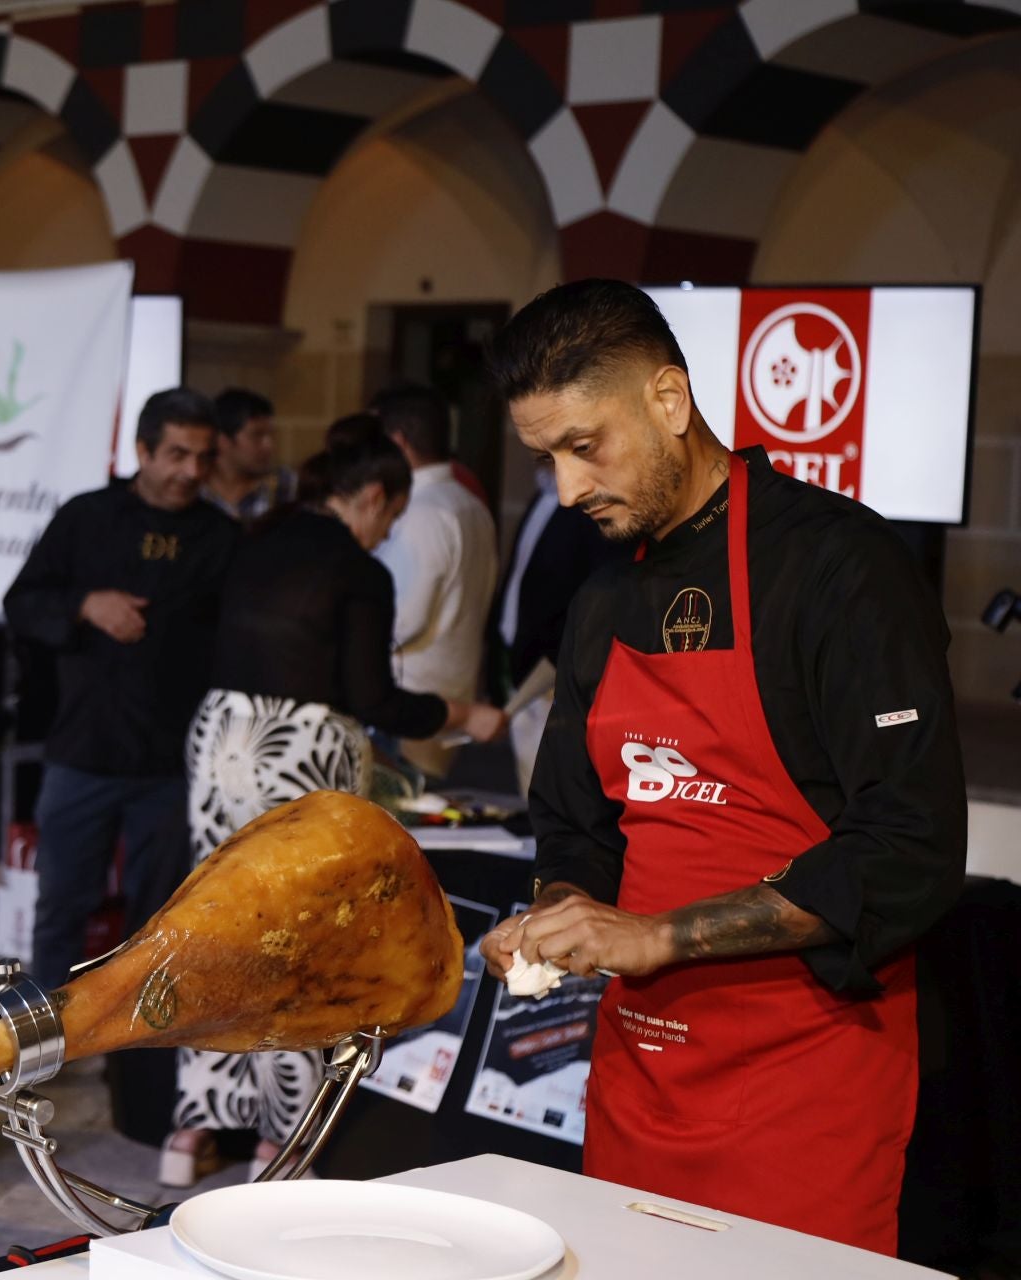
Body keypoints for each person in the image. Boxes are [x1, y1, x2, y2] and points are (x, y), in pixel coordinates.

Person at [476, 279, 965, 1255]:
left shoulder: (839, 566)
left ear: (668, 398)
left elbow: (908, 844)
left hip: (805, 1078)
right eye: (545, 459)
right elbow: (576, 822)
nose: (567, 490)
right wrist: (560, 913)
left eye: (585, 445)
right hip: (642, 1074)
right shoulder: (602, 600)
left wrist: (661, 934)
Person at [164, 430, 506, 1186]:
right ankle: (280, 1143)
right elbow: (372, 699)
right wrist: (463, 714)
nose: (387, 534)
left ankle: (191, 1130)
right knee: (298, 941)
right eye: (392, 517)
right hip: (301, 751)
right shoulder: (358, 570)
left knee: (205, 925)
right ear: (373, 497)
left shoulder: (253, 539)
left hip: (221, 739)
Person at [2, 387, 238, 996]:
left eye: (203, 457)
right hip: (83, 749)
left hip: (174, 761)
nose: (191, 471)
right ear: (143, 451)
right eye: (177, 454)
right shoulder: (86, 517)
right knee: (61, 906)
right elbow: (21, 603)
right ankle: (49, 1029)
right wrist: (85, 605)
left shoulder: (221, 537)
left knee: (160, 920)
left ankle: (141, 1040)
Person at [370, 384, 498, 779]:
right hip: (448, 693)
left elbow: (399, 620)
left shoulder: (422, 512)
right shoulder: (470, 504)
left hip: (413, 705)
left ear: (398, 442)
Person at [491, 462, 626, 795]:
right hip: (523, 667)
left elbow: (599, 592)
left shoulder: (595, 507)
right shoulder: (544, 493)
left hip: (556, 675)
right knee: (530, 789)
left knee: (553, 794)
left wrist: (561, 659)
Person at [201, 388, 294, 522]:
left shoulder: (286, 487)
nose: (268, 445)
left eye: (271, 435)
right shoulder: (196, 490)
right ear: (222, 440)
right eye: (257, 435)